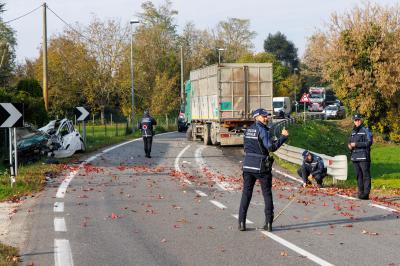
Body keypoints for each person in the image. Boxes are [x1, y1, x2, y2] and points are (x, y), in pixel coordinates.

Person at [238, 108, 289, 232]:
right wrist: (283, 137)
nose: (267, 118)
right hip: (261, 167)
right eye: (264, 116)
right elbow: (271, 147)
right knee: (267, 194)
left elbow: (246, 147)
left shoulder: (248, 130)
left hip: (248, 165)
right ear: (257, 117)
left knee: (246, 194)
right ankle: (269, 223)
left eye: (267, 116)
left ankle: (241, 223)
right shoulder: (262, 130)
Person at [348, 113, 373, 200]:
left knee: (365, 175)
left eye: (358, 120)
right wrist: (349, 146)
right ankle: (360, 192)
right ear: (354, 121)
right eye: (355, 120)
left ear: (361, 120)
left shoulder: (365, 130)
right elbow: (350, 141)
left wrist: (356, 144)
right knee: (358, 175)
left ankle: (366, 194)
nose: (357, 121)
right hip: (355, 157)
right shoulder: (353, 131)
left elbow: (369, 142)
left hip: (364, 157)